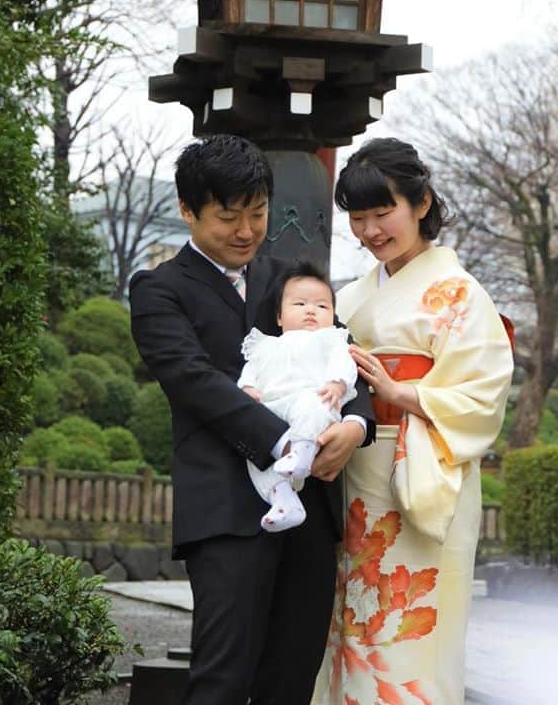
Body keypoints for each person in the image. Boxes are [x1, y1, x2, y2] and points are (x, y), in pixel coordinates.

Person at [129, 134, 376, 705]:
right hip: (225, 510)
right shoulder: (159, 291)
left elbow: (346, 356)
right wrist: (293, 442)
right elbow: (196, 384)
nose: (246, 231)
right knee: (223, 675)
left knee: (293, 674)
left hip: (310, 507)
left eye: (258, 214)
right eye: (228, 217)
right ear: (188, 210)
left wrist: (354, 427)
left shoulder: (289, 279)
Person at [311, 138, 514, 705]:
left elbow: (483, 393)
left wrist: (401, 391)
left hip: (420, 469)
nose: (371, 229)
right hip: (352, 471)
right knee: (347, 620)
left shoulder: (460, 295)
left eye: (384, 212)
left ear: (421, 203)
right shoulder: (349, 299)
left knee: (412, 626)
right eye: (357, 217)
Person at [238, 264, 359, 533]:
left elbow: (345, 364)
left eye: (322, 306)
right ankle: (284, 501)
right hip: (271, 410)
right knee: (255, 458)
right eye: (300, 303)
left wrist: (337, 384)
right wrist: (247, 389)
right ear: (279, 317)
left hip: (314, 400)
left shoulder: (331, 339)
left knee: (311, 406)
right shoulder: (266, 344)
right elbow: (251, 371)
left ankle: (302, 452)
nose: (311, 310)